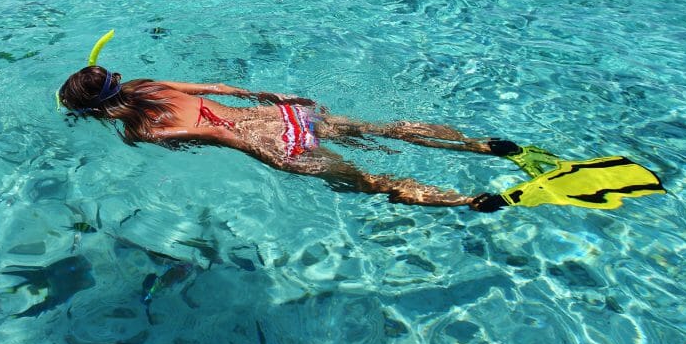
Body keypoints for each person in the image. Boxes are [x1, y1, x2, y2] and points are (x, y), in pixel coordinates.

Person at [58, 66, 513, 211]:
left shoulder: (142, 131)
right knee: (381, 130)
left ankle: (466, 201)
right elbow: (221, 92)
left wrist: (273, 156)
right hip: (281, 114)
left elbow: (214, 133)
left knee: (371, 182)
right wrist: (272, 98)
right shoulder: (146, 84)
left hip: (276, 144)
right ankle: (480, 145)